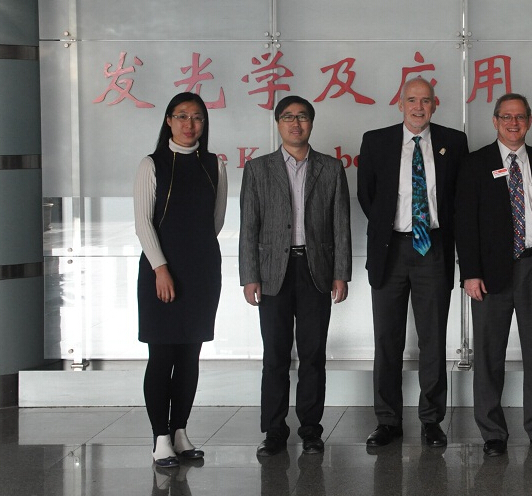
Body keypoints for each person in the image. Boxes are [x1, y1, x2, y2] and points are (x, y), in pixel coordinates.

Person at [357, 77, 469, 448]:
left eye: (425, 100)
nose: (418, 107)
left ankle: (431, 421)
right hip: (390, 249)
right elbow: (367, 195)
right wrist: (392, 228)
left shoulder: (454, 142)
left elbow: (459, 198)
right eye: (412, 100)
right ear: (400, 103)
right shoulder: (376, 141)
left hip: (432, 248)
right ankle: (387, 421)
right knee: (387, 340)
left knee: (433, 340)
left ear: (435, 104)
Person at [456, 94, 532, 456]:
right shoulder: (475, 164)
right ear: (495, 121)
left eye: (520, 117)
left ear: (529, 121)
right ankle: (492, 432)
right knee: (489, 354)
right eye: (506, 117)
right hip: (490, 273)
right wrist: (470, 273)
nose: (513, 123)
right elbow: (465, 222)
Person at [239, 95, 351, 457]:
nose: (295, 123)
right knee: (275, 355)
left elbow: (341, 225)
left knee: (313, 354)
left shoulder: (330, 168)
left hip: (316, 270)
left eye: (302, 117)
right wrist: (249, 275)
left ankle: (311, 430)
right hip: (274, 272)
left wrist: (341, 273)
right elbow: (248, 227)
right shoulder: (258, 169)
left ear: (311, 123)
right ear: (278, 124)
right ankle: (274, 431)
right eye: (288, 117)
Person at [134, 92, 227, 467]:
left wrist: (196, 256)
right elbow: (143, 223)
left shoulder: (214, 165)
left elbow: (215, 220)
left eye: (198, 117)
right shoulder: (152, 164)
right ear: (169, 120)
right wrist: (161, 267)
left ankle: (180, 432)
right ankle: (160, 437)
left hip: (201, 272)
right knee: (162, 355)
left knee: (190, 354)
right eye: (182, 116)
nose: (190, 124)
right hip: (160, 271)